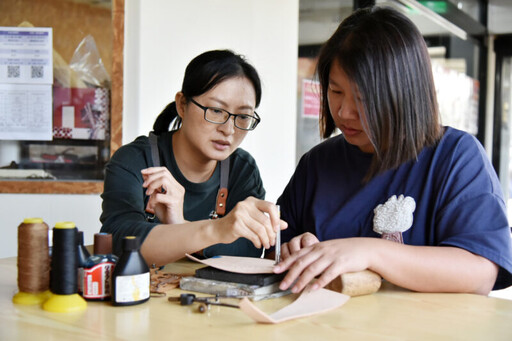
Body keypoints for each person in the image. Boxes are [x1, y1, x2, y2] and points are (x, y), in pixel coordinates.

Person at [274, 7, 512, 295]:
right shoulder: (317, 164)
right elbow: (276, 252)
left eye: (362, 99)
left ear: (404, 95)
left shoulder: (455, 156)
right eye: (335, 91)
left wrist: (371, 252)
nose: (344, 112)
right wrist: (293, 250)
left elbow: (481, 272)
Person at [100, 50, 286, 266]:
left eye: (243, 117)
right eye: (216, 111)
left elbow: (249, 250)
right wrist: (217, 230)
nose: (229, 130)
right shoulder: (135, 160)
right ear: (182, 105)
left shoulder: (242, 169)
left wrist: (180, 223)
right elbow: (120, 240)